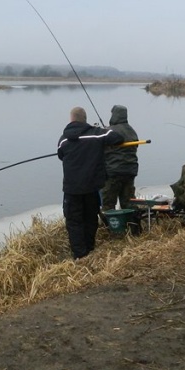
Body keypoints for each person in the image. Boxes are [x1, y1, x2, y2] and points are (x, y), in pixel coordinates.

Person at [57, 106, 123, 259]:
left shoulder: (63, 139)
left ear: (71, 119)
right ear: (85, 120)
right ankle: (89, 250)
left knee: (74, 222)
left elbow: (61, 155)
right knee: (90, 218)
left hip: (72, 189)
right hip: (92, 188)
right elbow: (118, 138)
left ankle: (79, 255)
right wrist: (104, 130)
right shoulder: (97, 134)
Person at [101, 104, 139, 211]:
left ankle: (110, 221)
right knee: (129, 204)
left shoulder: (109, 131)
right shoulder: (132, 131)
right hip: (130, 171)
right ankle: (131, 220)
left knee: (108, 205)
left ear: (114, 115)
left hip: (113, 172)